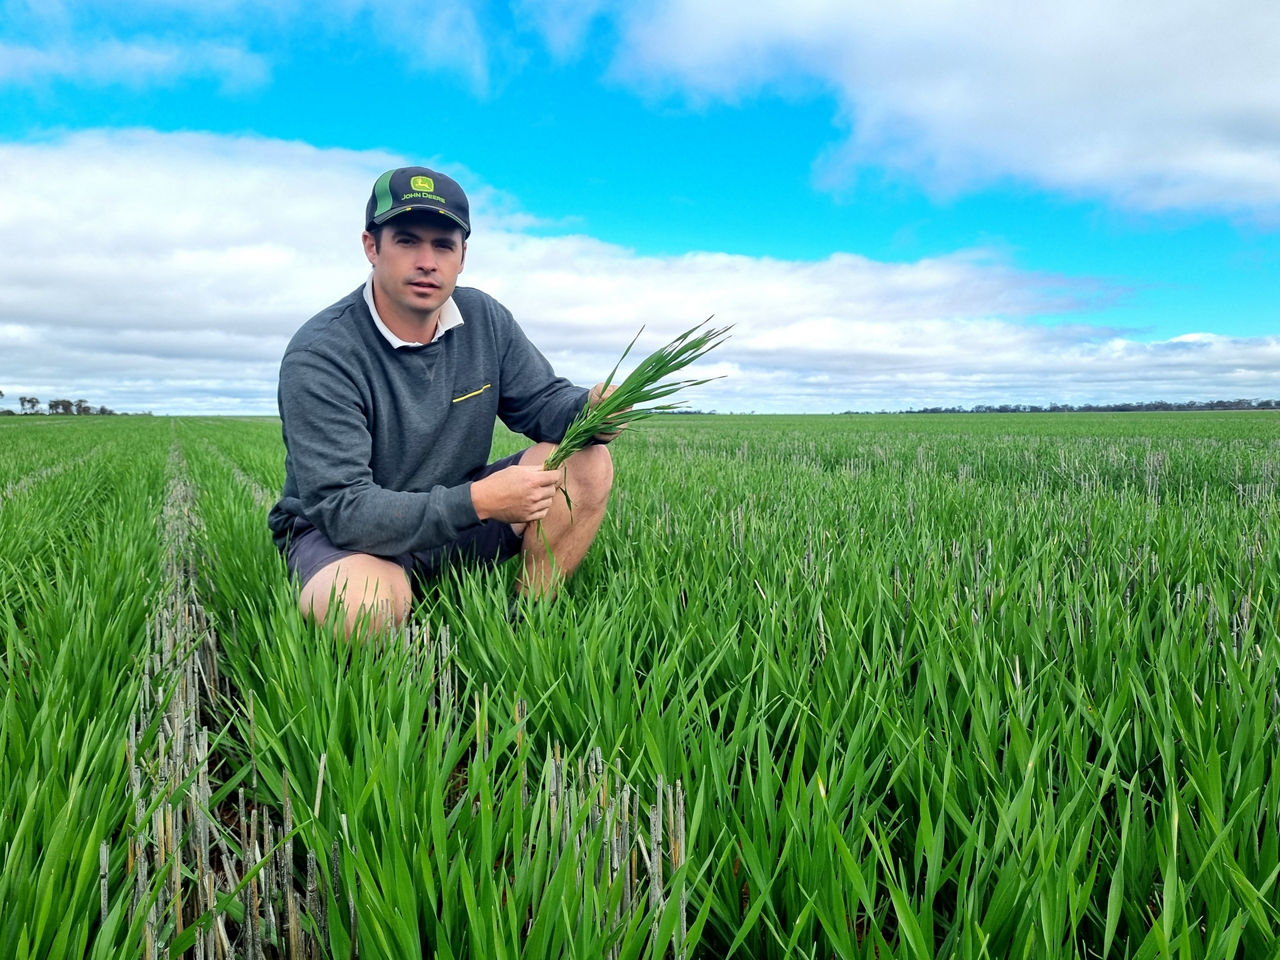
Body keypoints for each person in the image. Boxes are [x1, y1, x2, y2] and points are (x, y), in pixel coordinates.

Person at [268, 166, 618, 636]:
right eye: (407, 241)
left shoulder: (484, 319)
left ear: (462, 255)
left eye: (443, 245)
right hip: (350, 537)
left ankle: (528, 622)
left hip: (455, 514)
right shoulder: (322, 354)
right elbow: (343, 508)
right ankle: (392, 650)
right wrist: (479, 502)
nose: (427, 261)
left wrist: (591, 410)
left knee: (587, 461)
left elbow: (541, 403)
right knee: (359, 607)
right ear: (372, 247)